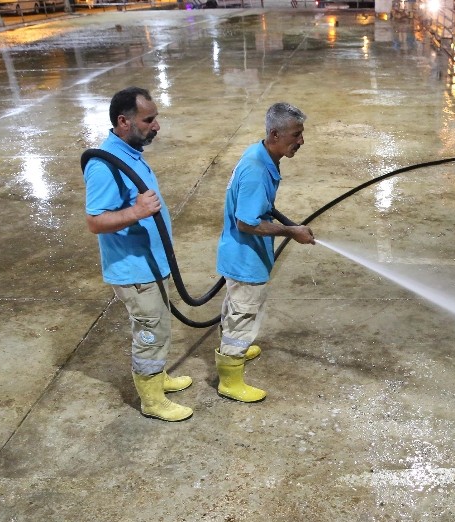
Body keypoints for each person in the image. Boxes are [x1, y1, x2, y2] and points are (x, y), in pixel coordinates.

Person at [83, 86, 193, 422]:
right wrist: (137, 212)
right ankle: (151, 400)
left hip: (150, 265)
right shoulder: (104, 166)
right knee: (150, 331)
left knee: (158, 325)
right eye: (148, 120)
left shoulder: (129, 154)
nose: (156, 126)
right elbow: (95, 221)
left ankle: (158, 377)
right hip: (134, 271)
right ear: (124, 121)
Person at [215, 102, 315, 402]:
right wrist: (290, 232)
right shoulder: (257, 170)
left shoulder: (259, 154)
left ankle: (234, 349)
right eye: (295, 135)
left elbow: (260, 207)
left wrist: (289, 225)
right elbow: (246, 223)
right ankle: (230, 380)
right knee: (243, 314)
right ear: (274, 134)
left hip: (241, 254)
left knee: (238, 308)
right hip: (245, 257)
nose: (301, 140)